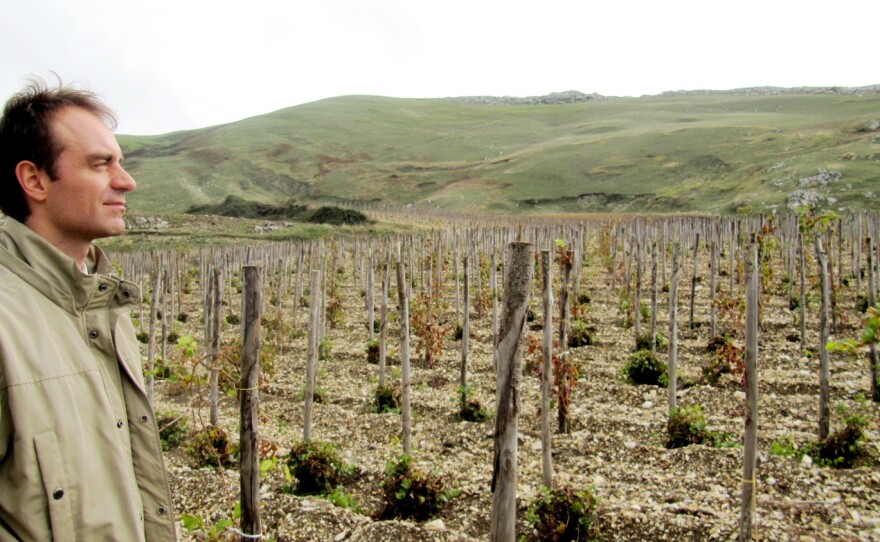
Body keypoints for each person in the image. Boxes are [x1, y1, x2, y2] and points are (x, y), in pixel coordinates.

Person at [0, 78, 177, 541]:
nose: (126, 180)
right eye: (101, 164)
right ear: (34, 179)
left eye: (120, 162)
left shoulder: (105, 308)